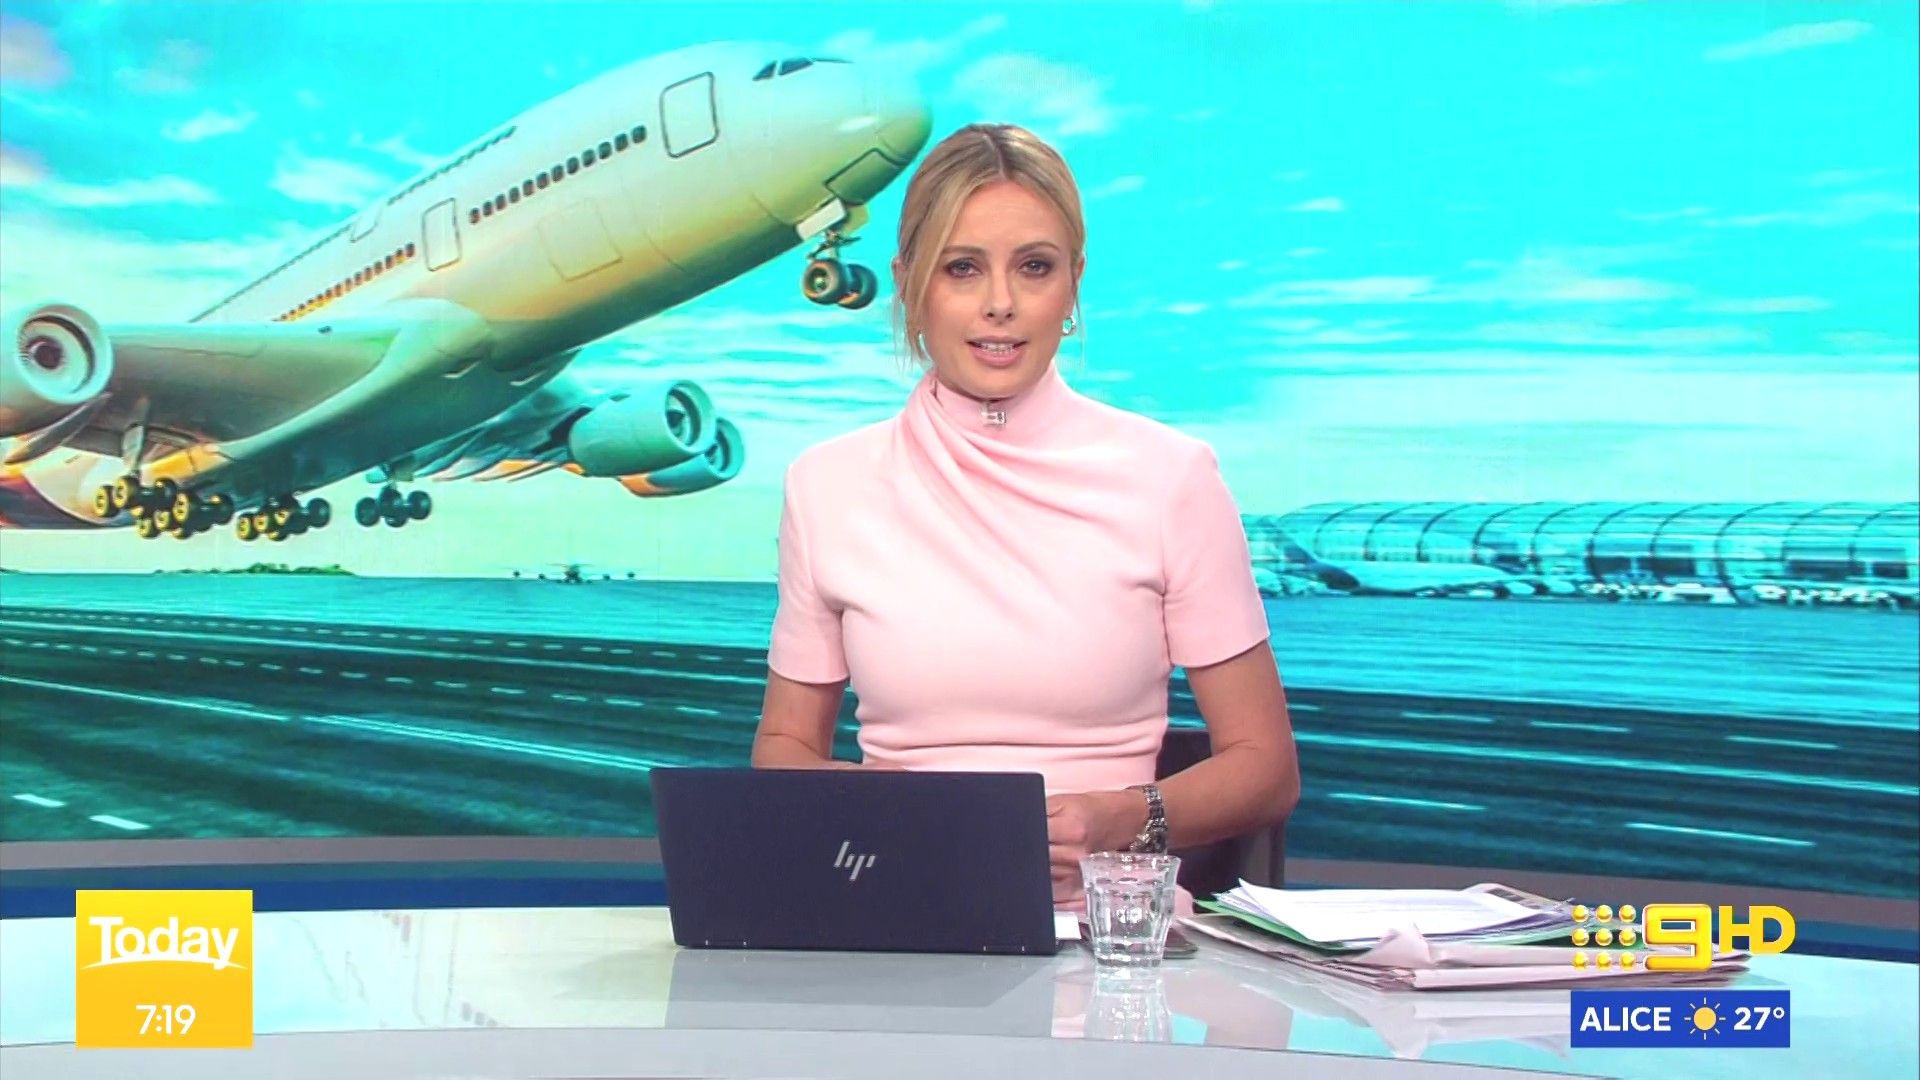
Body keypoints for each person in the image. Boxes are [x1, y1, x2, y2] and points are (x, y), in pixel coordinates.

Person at [751, 122, 1300, 909]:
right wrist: (885, 820)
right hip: (893, 921)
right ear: (908, 284)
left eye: (1034, 267)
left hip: (1108, 934)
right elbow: (783, 747)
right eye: (962, 268)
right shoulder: (825, 484)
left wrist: (1118, 820)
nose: (1000, 304)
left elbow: (1266, 769)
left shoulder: (1171, 477)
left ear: (1074, 284)